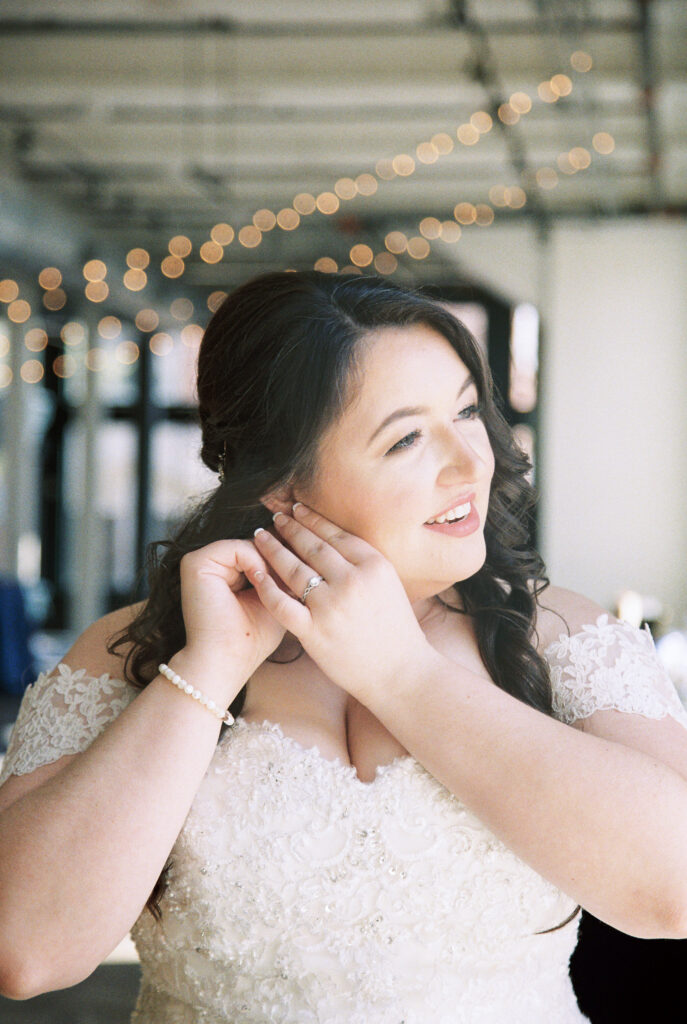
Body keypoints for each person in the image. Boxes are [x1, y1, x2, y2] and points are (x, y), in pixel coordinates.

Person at [1, 270, 687, 1024]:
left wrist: (402, 674)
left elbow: (674, 891)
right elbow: (25, 952)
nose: (471, 462)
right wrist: (205, 671)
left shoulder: (563, 636)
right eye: (404, 439)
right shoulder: (133, 650)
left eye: (465, 411)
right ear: (281, 485)